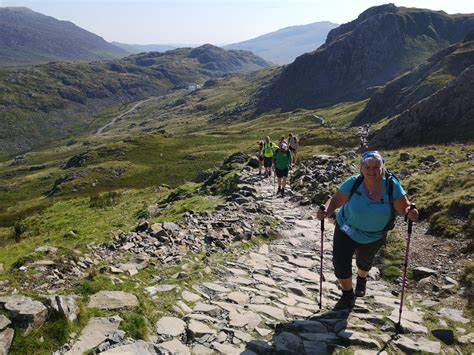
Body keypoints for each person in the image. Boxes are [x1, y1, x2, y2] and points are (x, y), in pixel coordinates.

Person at [316, 151, 419, 310]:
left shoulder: (391, 185)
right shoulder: (354, 182)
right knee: (340, 262)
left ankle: (362, 278)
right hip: (346, 229)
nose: (372, 170)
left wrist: (409, 212)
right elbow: (336, 200)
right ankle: (347, 294)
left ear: (382, 167)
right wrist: (326, 211)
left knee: (364, 262)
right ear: (361, 167)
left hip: (375, 235)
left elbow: (403, 206)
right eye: (367, 166)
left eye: (376, 167)